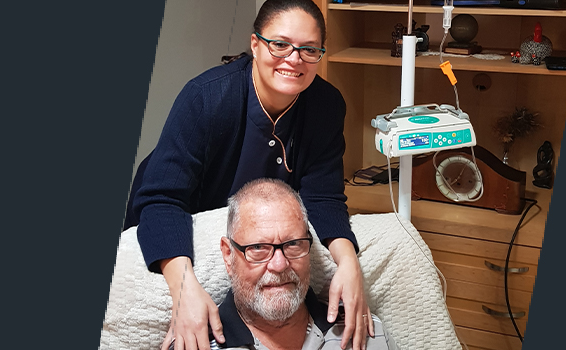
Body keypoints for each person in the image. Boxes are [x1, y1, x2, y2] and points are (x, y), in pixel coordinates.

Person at [125, 1, 372, 350]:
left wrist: (349, 262)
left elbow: (324, 196)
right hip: (170, 217)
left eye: (309, 49)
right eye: (280, 44)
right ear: (255, 44)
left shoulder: (326, 104)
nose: (294, 58)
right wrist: (184, 287)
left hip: (257, 234)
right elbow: (162, 199)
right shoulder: (207, 97)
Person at [167, 178, 396, 350]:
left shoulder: (365, 332)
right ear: (228, 255)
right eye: (258, 248)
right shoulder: (192, 342)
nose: (279, 264)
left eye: (293, 243)